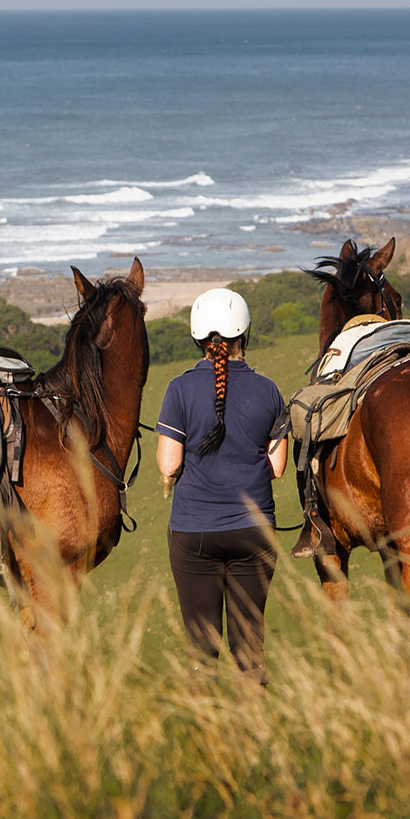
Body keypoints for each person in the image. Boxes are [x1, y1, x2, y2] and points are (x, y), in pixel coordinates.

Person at [155, 288, 288, 684]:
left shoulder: (178, 390)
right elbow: (277, 468)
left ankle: (206, 738)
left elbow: (168, 463)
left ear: (198, 338)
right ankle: (255, 732)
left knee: (201, 650)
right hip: (254, 532)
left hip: (194, 532)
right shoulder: (267, 390)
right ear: (241, 334)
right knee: (249, 647)